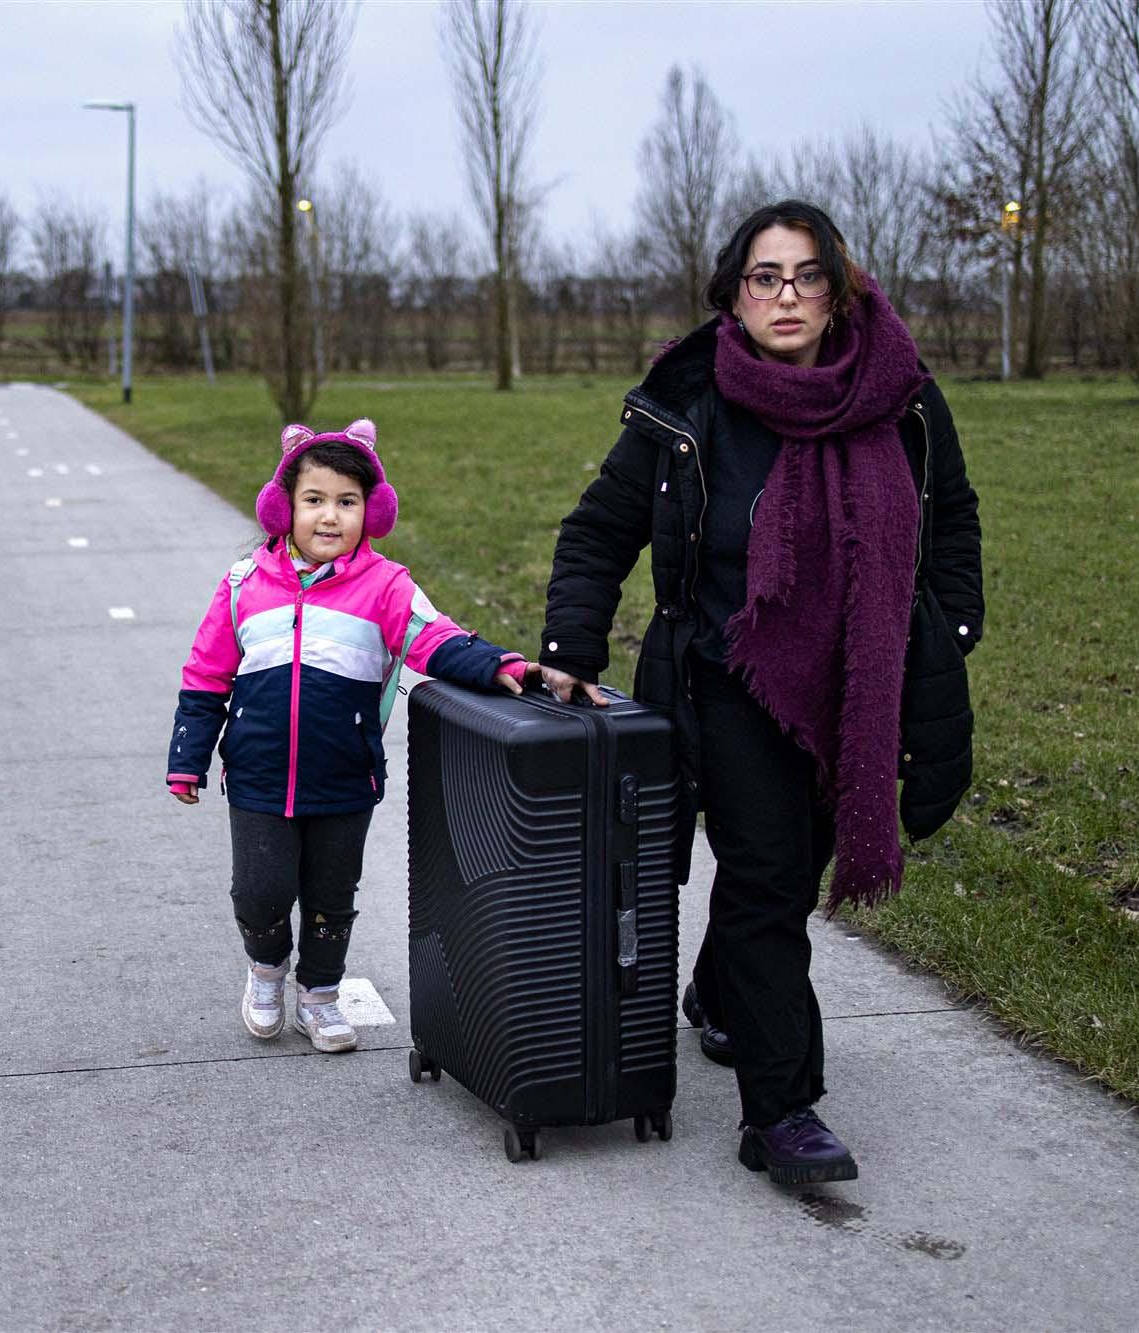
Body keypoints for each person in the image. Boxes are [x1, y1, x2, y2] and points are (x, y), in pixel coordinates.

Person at [538, 200, 984, 1187]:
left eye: (806, 274)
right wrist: (570, 644)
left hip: (854, 685)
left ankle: (718, 993)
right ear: (732, 296)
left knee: (771, 880)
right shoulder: (687, 398)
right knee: (770, 877)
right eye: (763, 277)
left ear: (839, 286)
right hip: (726, 678)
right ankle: (780, 1113)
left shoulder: (899, 393)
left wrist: (941, 635)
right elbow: (598, 527)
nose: (786, 295)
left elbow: (949, 514)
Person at [167, 419, 537, 1054]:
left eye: (347, 501)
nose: (330, 516)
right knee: (262, 891)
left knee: (332, 896)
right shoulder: (242, 586)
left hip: (344, 776)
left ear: (372, 511)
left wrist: (498, 664)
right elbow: (206, 676)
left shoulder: (386, 587)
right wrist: (187, 760)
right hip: (258, 776)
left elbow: (435, 638)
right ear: (285, 508)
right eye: (314, 500)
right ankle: (266, 971)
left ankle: (319, 994)